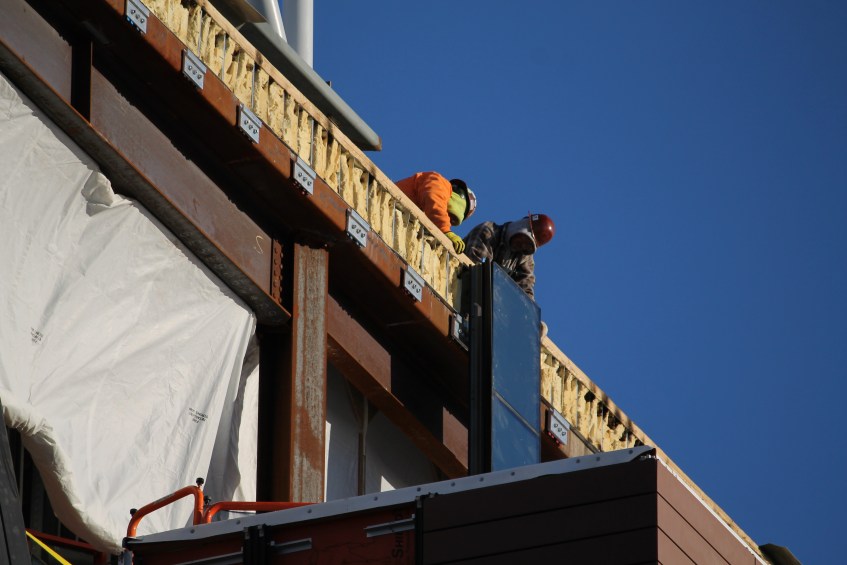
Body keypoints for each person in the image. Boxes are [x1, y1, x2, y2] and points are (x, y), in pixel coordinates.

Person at [463, 214, 555, 301]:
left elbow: (526, 292)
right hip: (461, 290)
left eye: (528, 246)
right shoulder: (488, 232)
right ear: (520, 226)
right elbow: (477, 270)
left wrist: (530, 313)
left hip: (487, 307)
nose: (522, 246)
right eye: (524, 239)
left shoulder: (524, 258)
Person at [394, 172, 477, 253]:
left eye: (451, 220)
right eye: (449, 216)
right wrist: (446, 230)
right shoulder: (440, 182)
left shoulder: (427, 214)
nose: (447, 219)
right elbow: (435, 201)